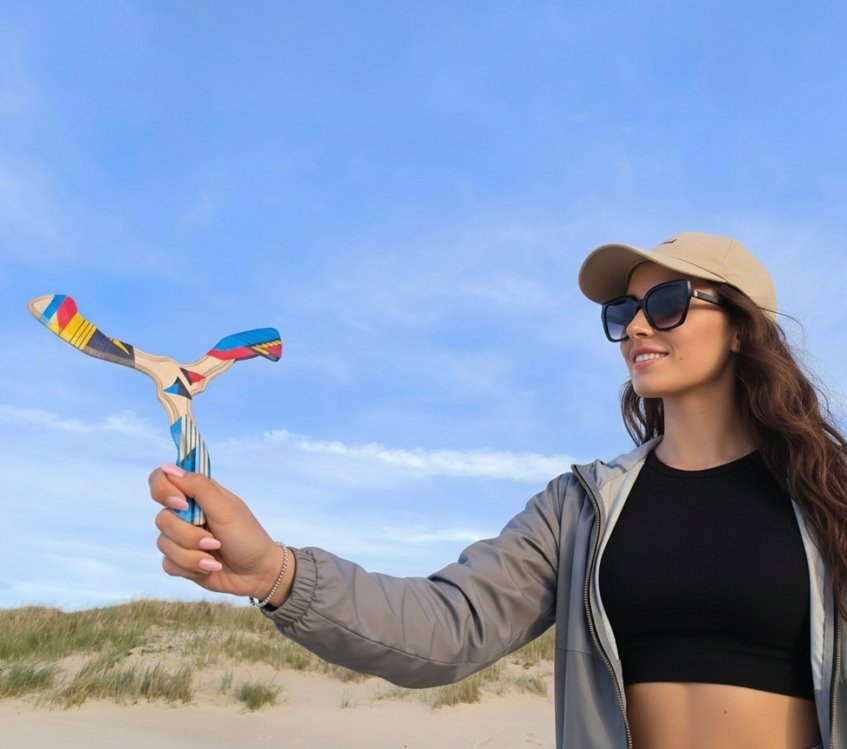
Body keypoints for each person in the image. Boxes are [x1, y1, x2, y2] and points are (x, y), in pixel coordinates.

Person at [149, 232, 845, 749]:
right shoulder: (580, 508)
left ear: (739, 328)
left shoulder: (825, 496)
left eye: (664, 304)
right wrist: (274, 571)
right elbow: (447, 626)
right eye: (621, 310)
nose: (634, 325)